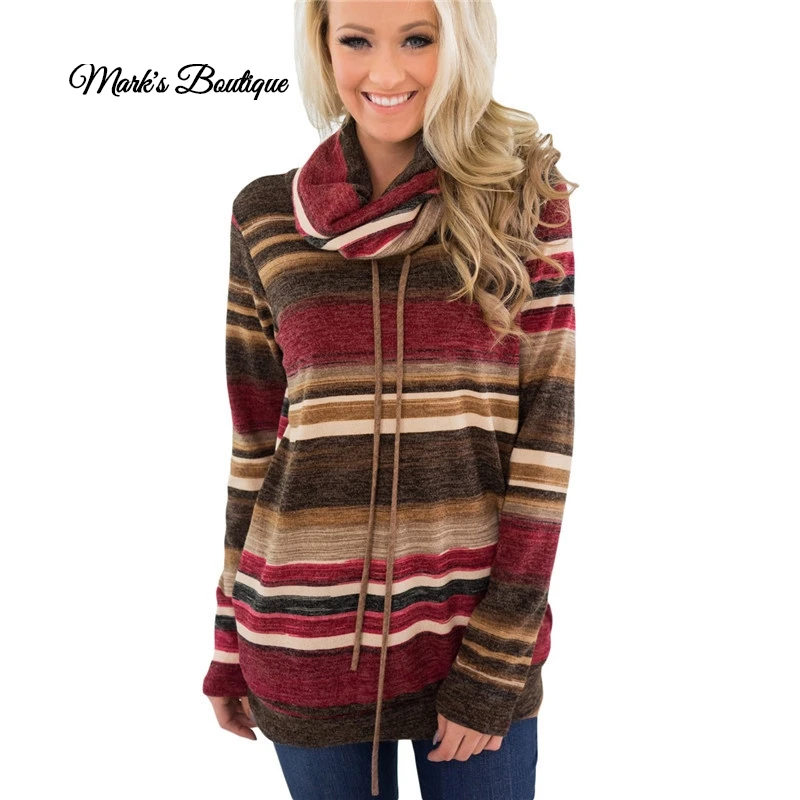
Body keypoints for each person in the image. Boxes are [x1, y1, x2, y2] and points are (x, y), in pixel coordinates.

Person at [202, 1, 578, 797]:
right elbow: (255, 444)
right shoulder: (263, 216)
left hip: (471, 642)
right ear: (322, 44)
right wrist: (229, 635)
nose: (385, 71)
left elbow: (545, 445)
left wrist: (498, 657)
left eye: (417, 39)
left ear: (461, 42)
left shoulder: (523, 201)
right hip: (301, 644)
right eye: (356, 40)